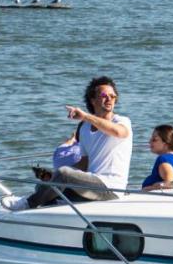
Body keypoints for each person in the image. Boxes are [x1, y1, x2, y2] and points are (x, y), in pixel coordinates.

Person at [17, 76, 134, 209]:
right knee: (45, 185)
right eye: (104, 95)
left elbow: (119, 132)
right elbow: (83, 165)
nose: (109, 99)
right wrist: (55, 177)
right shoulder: (84, 128)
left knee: (64, 174)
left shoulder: (122, 121)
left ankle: (27, 204)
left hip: (111, 188)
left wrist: (85, 116)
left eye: (113, 96)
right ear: (93, 100)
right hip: (91, 184)